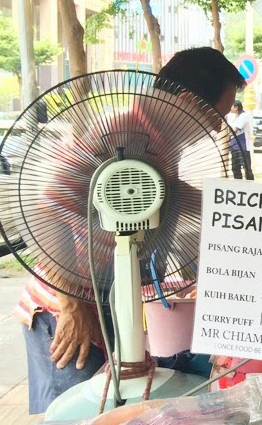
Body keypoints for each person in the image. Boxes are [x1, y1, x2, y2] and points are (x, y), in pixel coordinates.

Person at [19, 47, 244, 413]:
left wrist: (235, 216)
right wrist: (73, 305)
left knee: (115, 407)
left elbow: (164, 194)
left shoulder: (158, 138)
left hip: (109, 294)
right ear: (186, 100)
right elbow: (49, 207)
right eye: (215, 115)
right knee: (76, 411)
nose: (218, 127)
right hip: (64, 305)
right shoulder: (121, 133)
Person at [226, 101, 254, 180]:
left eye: (232, 106)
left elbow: (236, 129)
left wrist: (228, 136)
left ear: (236, 107)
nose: (230, 108)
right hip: (234, 146)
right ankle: (238, 183)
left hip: (243, 146)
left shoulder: (244, 116)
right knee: (235, 167)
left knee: (246, 168)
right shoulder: (234, 117)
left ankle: (250, 184)